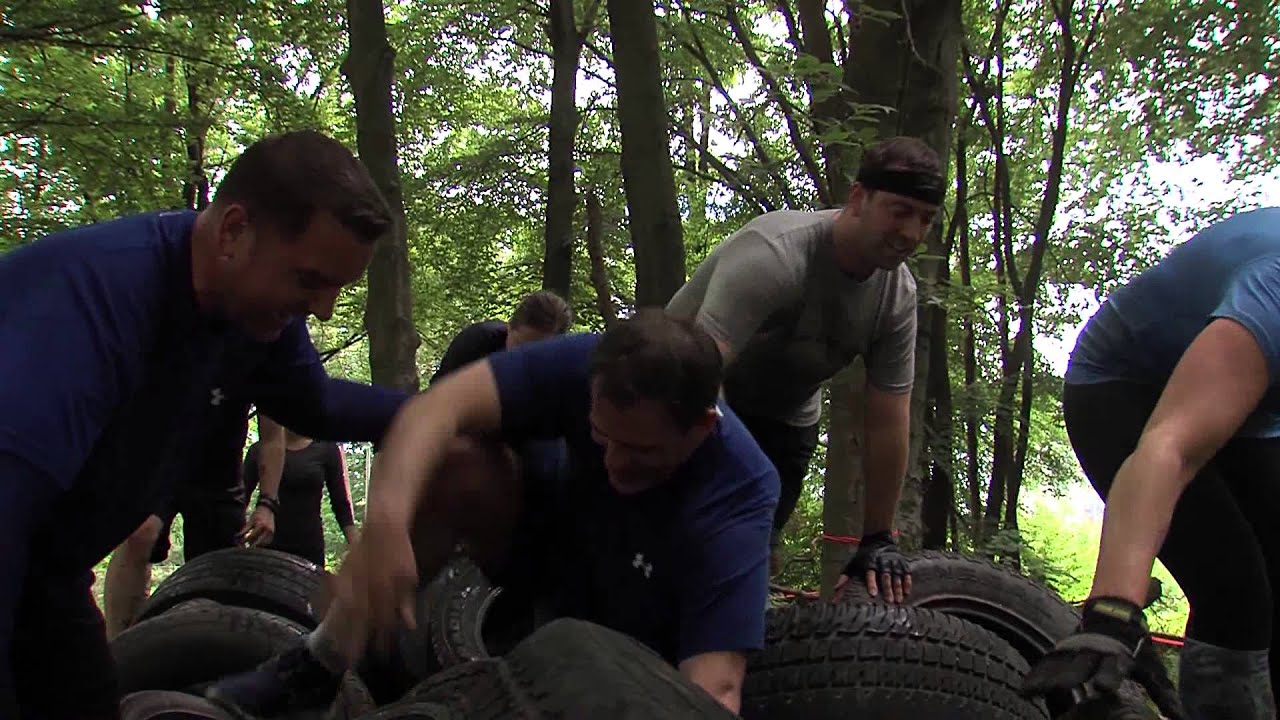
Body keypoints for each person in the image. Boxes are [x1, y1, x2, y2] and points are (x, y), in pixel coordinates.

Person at [0, 129, 411, 720]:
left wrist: (460, 408)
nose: (322, 309)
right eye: (309, 281)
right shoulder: (88, 306)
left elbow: (315, 404)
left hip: (47, 575)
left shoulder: (251, 313)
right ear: (233, 231)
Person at [205, 311, 780, 717]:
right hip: (555, 557)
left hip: (644, 645)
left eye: (641, 452)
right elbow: (434, 411)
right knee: (456, 459)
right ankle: (321, 666)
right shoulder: (590, 363)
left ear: (702, 427)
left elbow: (713, 690)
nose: (615, 464)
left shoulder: (739, 494)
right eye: (602, 438)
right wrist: (386, 525)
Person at [1021, 207, 1280, 720]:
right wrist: (1114, 610)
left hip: (1253, 410)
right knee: (1236, 589)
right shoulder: (1274, 290)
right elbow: (1172, 446)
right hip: (1125, 388)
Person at [666, 135, 944, 602]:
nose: (912, 233)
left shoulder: (897, 298)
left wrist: (878, 536)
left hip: (787, 419)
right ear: (858, 198)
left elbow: (888, 418)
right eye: (900, 211)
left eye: (926, 219)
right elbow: (700, 375)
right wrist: (729, 478)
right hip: (679, 386)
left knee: (749, 550)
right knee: (691, 528)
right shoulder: (775, 255)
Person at [101, 390, 263, 639]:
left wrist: (267, 502)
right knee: (140, 535)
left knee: (219, 567)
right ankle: (117, 643)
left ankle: (214, 645)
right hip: (158, 463)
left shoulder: (257, 367)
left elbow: (273, 436)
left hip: (219, 477)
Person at [242, 427, 358, 569]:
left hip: (309, 549)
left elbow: (340, 504)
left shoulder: (327, 449)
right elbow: (241, 498)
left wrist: (356, 545)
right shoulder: (261, 450)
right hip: (268, 545)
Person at [428, 289, 574, 383]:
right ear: (509, 328)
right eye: (520, 346)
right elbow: (437, 396)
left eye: (539, 352)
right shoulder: (475, 344)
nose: (526, 359)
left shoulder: (562, 371)